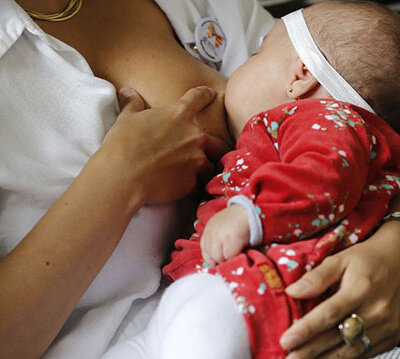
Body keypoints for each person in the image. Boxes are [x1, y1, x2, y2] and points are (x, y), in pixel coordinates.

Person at [0, 0, 399, 358]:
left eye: (256, 53)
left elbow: (341, 141)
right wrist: (120, 177)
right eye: (255, 52)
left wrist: (393, 244)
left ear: (301, 76)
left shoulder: (321, 116)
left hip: (247, 307)